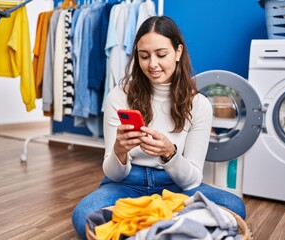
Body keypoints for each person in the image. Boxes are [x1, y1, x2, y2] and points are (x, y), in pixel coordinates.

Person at [72, 15, 246, 239]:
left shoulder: (198, 104)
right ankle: (167, 225)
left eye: (161, 55)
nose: (152, 64)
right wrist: (120, 151)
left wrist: (169, 153)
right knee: (83, 216)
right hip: (126, 184)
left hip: (175, 185)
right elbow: (113, 175)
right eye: (144, 56)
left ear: (178, 52)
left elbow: (191, 180)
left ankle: (145, 224)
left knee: (233, 206)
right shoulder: (119, 95)